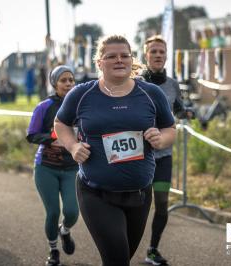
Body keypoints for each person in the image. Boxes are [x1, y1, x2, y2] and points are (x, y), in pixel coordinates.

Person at [54, 35, 176, 266]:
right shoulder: (81, 94)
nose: (119, 60)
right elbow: (60, 123)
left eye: (124, 55)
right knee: (118, 259)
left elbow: (170, 128)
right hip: (96, 192)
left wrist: (161, 139)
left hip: (140, 194)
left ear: (132, 59)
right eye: (111, 56)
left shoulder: (151, 93)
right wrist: (73, 146)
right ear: (99, 62)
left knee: (121, 258)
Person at [141, 35, 192, 266]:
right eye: (154, 52)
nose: (158, 55)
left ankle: (152, 249)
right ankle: (124, 247)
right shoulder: (135, 82)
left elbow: (179, 109)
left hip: (163, 156)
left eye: (162, 52)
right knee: (139, 205)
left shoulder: (172, 85)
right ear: (146, 55)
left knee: (161, 203)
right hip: (137, 155)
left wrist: (188, 113)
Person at [26, 65, 79, 266]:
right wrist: (51, 139)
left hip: (72, 168)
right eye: (63, 80)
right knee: (53, 212)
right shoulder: (44, 106)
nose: (68, 84)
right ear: (54, 83)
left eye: (71, 80)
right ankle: (53, 250)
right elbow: (32, 134)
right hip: (46, 167)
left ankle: (64, 231)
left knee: (73, 212)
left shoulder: (80, 105)